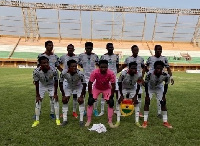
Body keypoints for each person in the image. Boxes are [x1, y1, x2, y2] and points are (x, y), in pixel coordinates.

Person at [145, 45, 174, 118]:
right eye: (157, 49)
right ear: (154, 50)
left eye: (160, 49)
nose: (159, 51)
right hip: (151, 80)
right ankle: (146, 116)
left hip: (160, 80)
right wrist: (148, 74)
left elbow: (168, 69)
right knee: (148, 99)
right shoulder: (150, 58)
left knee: (160, 99)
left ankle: (159, 113)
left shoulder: (164, 58)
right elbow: (145, 68)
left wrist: (171, 77)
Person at [85, 60, 116, 128]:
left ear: (107, 67)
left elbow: (113, 85)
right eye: (102, 67)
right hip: (96, 88)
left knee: (111, 103)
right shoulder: (95, 72)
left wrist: (112, 95)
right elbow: (90, 83)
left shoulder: (111, 73)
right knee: (90, 102)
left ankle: (110, 121)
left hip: (106, 89)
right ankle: (89, 120)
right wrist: (90, 95)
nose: (103, 69)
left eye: (105, 67)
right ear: (99, 67)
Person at [142, 61, 172, 128]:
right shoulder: (149, 74)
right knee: (147, 102)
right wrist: (147, 95)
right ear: (154, 68)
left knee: (163, 103)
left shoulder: (165, 75)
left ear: (162, 68)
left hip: (159, 87)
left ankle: (165, 121)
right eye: (157, 68)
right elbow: (146, 84)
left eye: (160, 69)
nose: (158, 70)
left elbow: (166, 85)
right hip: (150, 87)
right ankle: (145, 121)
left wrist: (164, 96)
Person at [32, 56, 61, 127]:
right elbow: (36, 83)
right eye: (44, 63)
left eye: (47, 62)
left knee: (55, 100)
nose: (46, 64)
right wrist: (37, 95)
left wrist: (55, 93)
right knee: (38, 101)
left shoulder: (54, 70)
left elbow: (56, 81)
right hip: (41, 85)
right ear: (40, 64)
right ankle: (37, 120)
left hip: (51, 85)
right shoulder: (36, 71)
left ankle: (57, 119)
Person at [36, 40, 62, 119]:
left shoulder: (55, 56)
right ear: (46, 46)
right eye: (49, 45)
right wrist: (36, 78)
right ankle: (37, 113)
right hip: (42, 80)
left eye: (52, 45)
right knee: (39, 98)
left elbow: (58, 67)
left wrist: (64, 73)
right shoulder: (40, 56)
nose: (51, 47)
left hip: (52, 80)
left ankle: (52, 113)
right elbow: (38, 67)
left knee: (52, 98)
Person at [118, 45, 145, 118]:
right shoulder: (128, 59)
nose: (136, 51)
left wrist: (142, 76)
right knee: (125, 95)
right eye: (134, 50)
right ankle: (123, 109)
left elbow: (144, 68)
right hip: (128, 78)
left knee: (138, 95)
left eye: (137, 50)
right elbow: (123, 66)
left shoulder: (141, 59)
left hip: (137, 79)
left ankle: (138, 111)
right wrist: (117, 71)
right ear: (132, 50)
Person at [59, 59, 87, 127]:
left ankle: (81, 120)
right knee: (65, 100)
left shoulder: (80, 73)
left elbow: (84, 85)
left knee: (81, 101)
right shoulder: (64, 73)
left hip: (78, 87)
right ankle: (65, 120)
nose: (74, 68)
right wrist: (63, 95)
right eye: (72, 66)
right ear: (68, 67)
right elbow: (60, 83)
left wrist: (81, 96)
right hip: (69, 87)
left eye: (75, 66)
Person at [117, 62, 143, 127]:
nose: (134, 70)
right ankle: (118, 121)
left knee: (136, 103)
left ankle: (137, 121)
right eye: (132, 68)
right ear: (129, 68)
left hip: (132, 88)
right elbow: (119, 83)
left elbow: (139, 85)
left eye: (135, 68)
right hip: (123, 87)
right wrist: (121, 95)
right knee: (119, 102)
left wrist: (135, 96)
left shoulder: (139, 75)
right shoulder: (123, 73)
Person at [78, 42, 99, 116]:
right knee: (83, 94)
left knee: (94, 95)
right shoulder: (81, 56)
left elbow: (98, 65)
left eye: (90, 48)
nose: (89, 49)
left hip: (93, 79)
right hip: (84, 78)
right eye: (87, 48)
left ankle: (95, 110)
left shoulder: (95, 56)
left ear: (92, 48)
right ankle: (83, 110)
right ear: (85, 48)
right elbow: (79, 64)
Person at [99, 43, 119, 116]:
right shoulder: (103, 57)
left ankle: (116, 109)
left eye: (112, 47)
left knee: (117, 92)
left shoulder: (116, 56)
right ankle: (102, 111)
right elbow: (100, 67)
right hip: (105, 77)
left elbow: (117, 66)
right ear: (106, 48)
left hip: (114, 77)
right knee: (103, 93)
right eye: (109, 47)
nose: (111, 48)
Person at [60, 44, 79, 118]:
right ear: (67, 49)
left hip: (75, 79)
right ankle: (64, 112)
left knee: (75, 96)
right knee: (66, 96)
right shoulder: (63, 57)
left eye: (72, 48)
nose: (70, 49)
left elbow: (80, 65)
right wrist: (63, 72)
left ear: (74, 49)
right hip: (66, 80)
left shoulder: (77, 57)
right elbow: (58, 64)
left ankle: (74, 112)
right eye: (69, 48)